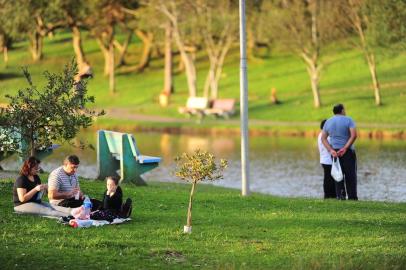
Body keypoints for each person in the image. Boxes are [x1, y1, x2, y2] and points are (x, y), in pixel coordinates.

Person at [321, 104, 358, 200]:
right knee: (350, 175)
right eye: (344, 110)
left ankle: (340, 196)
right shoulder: (348, 120)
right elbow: (354, 135)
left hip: (335, 153)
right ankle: (352, 197)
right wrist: (345, 148)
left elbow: (323, 138)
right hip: (347, 151)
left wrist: (330, 150)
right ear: (342, 110)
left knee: (338, 175)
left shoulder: (328, 122)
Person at [318, 119, 336, 199]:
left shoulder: (320, 134)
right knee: (329, 178)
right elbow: (332, 147)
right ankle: (329, 195)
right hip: (328, 160)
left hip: (323, 160)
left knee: (327, 178)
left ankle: (328, 194)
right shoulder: (326, 137)